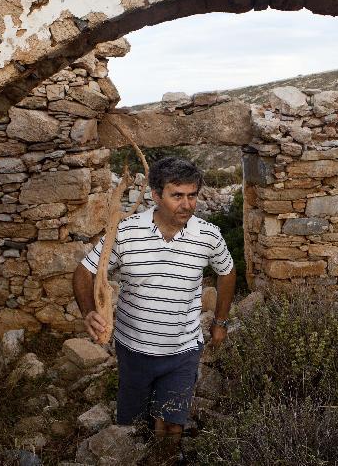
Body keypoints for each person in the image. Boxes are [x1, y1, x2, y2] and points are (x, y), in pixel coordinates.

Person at [72, 156, 236, 463]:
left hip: (183, 350)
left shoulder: (209, 235)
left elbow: (227, 271)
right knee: (130, 425)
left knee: (171, 425)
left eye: (192, 195)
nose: (187, 204)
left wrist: (221, 321)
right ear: (156, 195)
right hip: (134, 350)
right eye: (177, 196)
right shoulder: (126, 232)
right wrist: (88, 312)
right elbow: (84, 272)